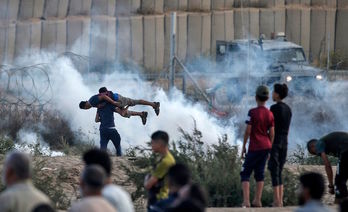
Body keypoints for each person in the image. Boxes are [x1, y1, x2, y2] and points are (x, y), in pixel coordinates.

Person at [240, 85, 275, 208]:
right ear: (267, 98)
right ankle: (257, 200)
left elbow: (248, 131)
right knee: (260, 173)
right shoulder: (270, 114)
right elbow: (272, 133)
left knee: (245, 173)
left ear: (256, 97)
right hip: (266, 147)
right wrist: (270, 148)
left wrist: (244, 146)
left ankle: (246, 201)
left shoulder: (252, 112)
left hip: (255, 147)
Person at [268, 83, 292, 207]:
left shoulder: (273, 108)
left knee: (274, 170)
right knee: (280, 171)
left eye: (273, 92)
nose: (272, 94)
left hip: (275, 142)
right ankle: (280, 200)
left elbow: (271, 129)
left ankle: (276, 201)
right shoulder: (288, 109)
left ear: (277, 94)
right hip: (285, 142)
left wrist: (268, 146)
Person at [307, 131, 348, 202]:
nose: (317, 154)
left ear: (313, 146)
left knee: (339, 181)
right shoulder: (328, 142)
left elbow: (327, 165)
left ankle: (340, 202)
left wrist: (331, 185)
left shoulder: (319, 143)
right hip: (345, 150)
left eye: (314, 152)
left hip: (346, 150)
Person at [144, 131, 176, 210]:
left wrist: (146, 180)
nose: (151, 145)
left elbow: (149, 184)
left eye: (153, 143)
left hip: (159, 200)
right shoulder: (163, 158)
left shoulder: (165, 162)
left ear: (159, 143)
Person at [79, 87, 160, 116]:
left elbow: (103, 96)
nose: (87, 109)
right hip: (116, 100)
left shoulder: (92, 101)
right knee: (123, 113)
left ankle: (154, 104)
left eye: (85, 109)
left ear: (85, 107)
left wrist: (113, 103)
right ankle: (142, 114)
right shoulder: (93, 103)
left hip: (117, 99)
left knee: (134, 102)